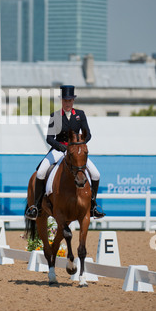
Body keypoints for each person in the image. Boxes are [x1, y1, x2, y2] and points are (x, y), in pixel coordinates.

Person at [25, 85, 105, 221]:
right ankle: (36, 206)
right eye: (65, 101)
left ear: (73, 101)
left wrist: (79, 144)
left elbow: (88, 134)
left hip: (76, 151)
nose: (67, 103)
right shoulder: (55, 116)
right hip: (59, 149)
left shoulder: (80, 115)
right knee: (41, 172)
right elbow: (49, 138)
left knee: (96, 174)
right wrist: (62, 148)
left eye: (70, 101)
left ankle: (93, 205)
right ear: (61, 101)